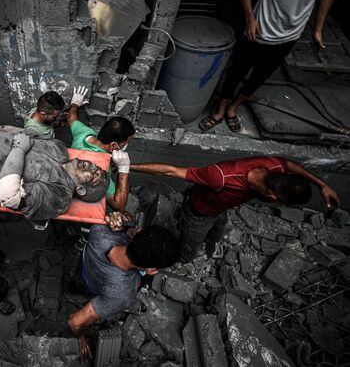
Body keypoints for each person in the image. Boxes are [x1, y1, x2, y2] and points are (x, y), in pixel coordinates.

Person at [199, 0, 350, 132]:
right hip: (260, 27)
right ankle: (220, 110)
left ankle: (233, 108)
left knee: (261, 75)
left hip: (292, 32)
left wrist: (318, 28)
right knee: (237, 71)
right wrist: (250, 19)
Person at [130, 156, 340, 261]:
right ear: (271, 196)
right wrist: (126, 166)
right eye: (281, 203)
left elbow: (292, 165)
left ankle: (210, 244)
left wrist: (323, 185)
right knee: (189, 249)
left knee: (217, 229)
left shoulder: (275, 167)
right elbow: (171, 171)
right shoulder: (221, 176)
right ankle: (183, 259)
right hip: (199, 212)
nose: (281, 206)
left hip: (220, 208)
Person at [67, 212, 181, 361]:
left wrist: (119, 224)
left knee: (77, 284)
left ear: (139, 232)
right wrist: (80, 337)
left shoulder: (100, 230)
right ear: (151, 268)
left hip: (84, 270)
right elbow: (74, 322)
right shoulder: (124, 295)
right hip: (101, 288)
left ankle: (72, 289)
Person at [67, 87, 134, 211]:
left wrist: (75, 104)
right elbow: (118, 205)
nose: (126, 145)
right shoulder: (101, 167)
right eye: (126, 142)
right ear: (113, 145)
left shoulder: (83, 133)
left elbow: (71, 118)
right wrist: (123, 170)